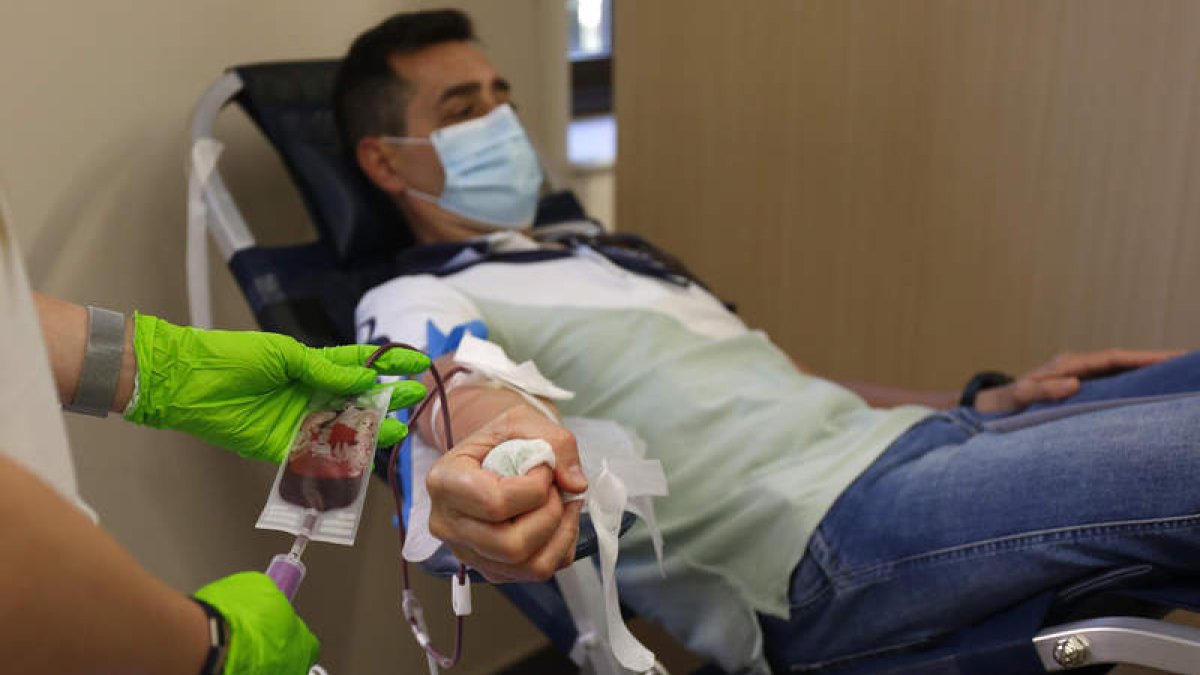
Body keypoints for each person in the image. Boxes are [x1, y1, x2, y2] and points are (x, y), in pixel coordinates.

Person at [334, 9, 1200, 673]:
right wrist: (484, 436)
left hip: (918, 445)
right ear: (384, 162)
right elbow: (442, 383)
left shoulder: (605, 254)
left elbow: (784, 380)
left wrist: (980, 399)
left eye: (501, 99)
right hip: (823, 538)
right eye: (461, 108)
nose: (500, 121)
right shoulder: (415, 290)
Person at [2, 190, 586, 673]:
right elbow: (457, 389)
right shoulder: (412, 294)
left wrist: (158, 366)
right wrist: (202, 649)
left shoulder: (589, 253)